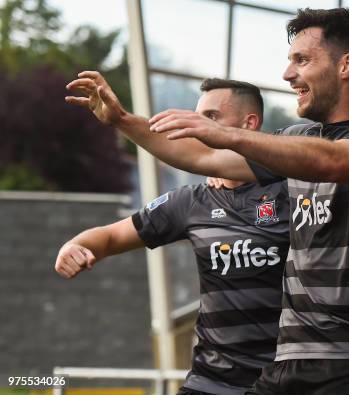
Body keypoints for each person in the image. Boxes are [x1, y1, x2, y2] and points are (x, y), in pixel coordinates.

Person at [67, 8, 349, 394]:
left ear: (347, 64)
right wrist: (122, 120)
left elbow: (330, 161)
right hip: (292, 359)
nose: (288, 74)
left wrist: (227, 135)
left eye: (302, 60)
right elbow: (203, 158)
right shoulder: (297, 136)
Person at [59, 78, 291, 395]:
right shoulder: (192, 201)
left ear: (249, 123)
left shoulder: (293, 189)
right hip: (211, 381)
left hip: (285, 380)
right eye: (196, 115)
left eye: (210, 117)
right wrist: (77, 246)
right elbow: (110, 236)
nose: (196, 125)